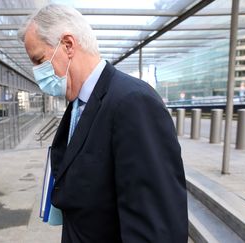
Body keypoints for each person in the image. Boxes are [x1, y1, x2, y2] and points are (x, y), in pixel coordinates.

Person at [18, 4, 188, 243]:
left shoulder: (133, 102)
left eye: (39, 60)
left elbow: (156, 227)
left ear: (67, 45)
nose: (37, 74)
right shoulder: (79, 103)